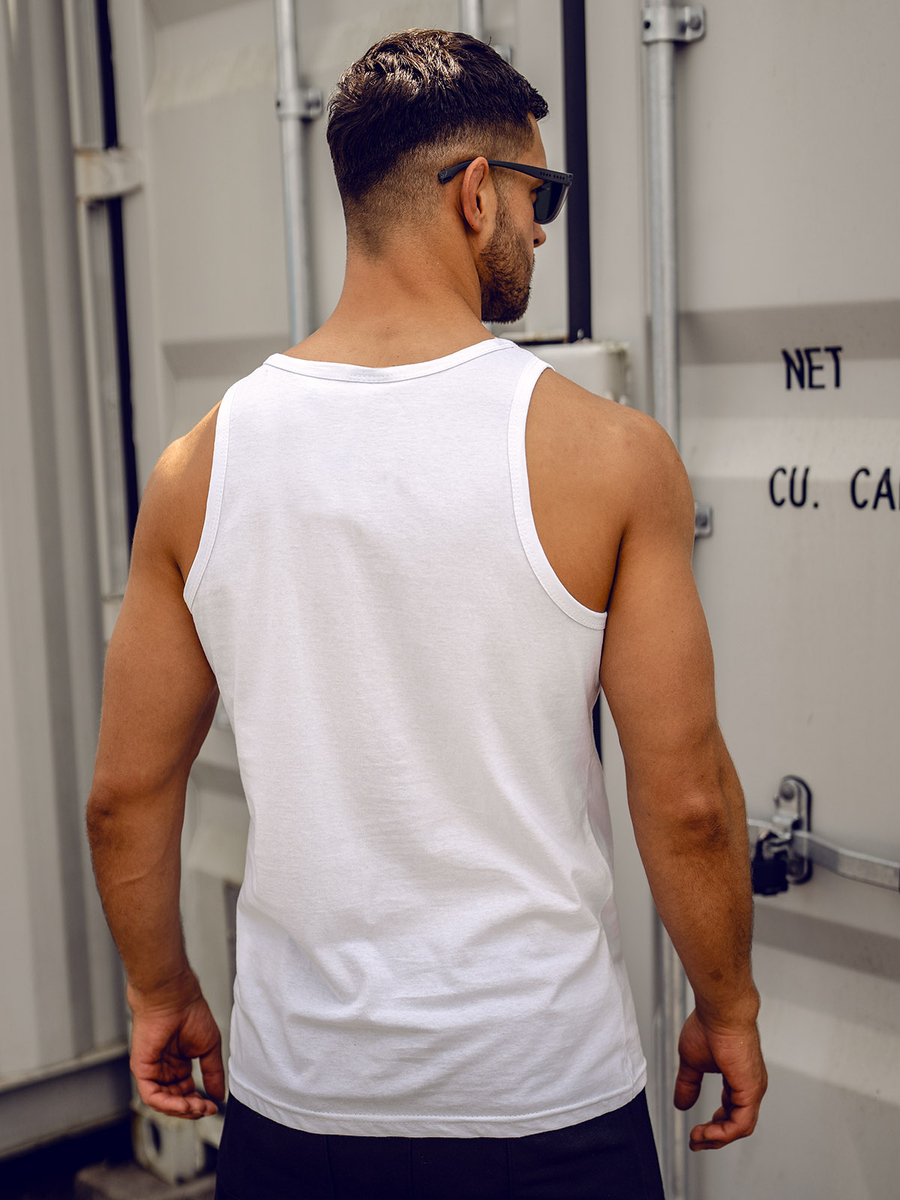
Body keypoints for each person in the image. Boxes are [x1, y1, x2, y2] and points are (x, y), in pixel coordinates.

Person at [86, 28, 766, 1200]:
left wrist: (161, 991)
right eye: (540, 191)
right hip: (544, 1098)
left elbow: (124, 798)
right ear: (475, 194)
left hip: (301, 1108)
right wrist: (729, 1005)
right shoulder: (609, 455)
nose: (542, 228)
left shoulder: (199, 468)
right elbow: (689, 801)